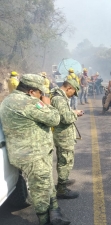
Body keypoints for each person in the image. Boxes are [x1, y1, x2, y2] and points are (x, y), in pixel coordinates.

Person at [0, 74, 70, 225]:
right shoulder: (28, 103)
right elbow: (54, 119)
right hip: (33, 155)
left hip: (24, 152)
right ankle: (44, 220)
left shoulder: (8, 100)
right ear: (32, 92)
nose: (42, 95)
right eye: (40, 92)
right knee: (40, 190)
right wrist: (47, 104)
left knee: (46, 183)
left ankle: (55, 212)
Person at [51, 80, 82, 199]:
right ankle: (62, 189)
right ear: (69, 88)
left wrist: (72, 112)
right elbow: (65, 118)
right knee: (65, 160)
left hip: (63, 134)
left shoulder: (58, 97)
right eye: (73, 93)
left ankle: (63, 180)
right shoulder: (59, 99)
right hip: (63, 135)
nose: (72, 96)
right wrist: (76, 113)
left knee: (64, 160)